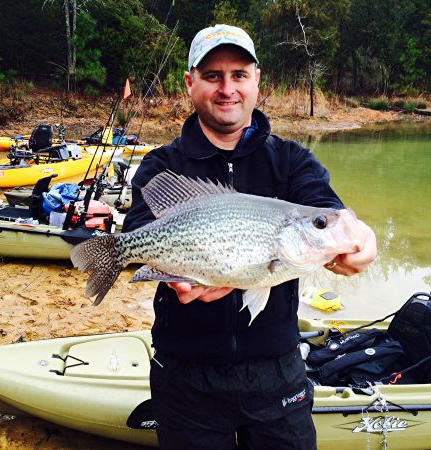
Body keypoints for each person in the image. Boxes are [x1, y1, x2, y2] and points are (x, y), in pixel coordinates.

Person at [122, 24, 377, 450]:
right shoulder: (161, 165)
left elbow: (332, 214)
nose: (228, 89)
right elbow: (140, 234)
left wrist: (362, 240)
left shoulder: (292, 160)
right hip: (185, 376)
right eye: (213, 75)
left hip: (277, 370)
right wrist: (177, 276)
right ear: (190, 83)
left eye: (239, 74)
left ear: (257, 80)